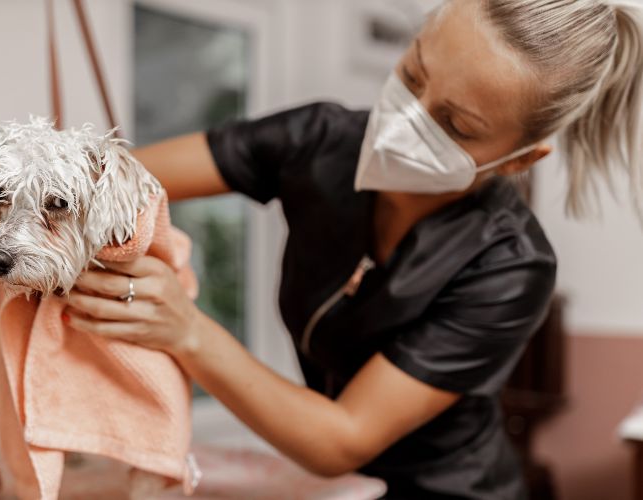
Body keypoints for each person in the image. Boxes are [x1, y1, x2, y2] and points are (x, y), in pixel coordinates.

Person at [63, 0, 643, 498]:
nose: (404, 121)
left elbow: (341, 437)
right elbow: (126, 179)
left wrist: (187, 331)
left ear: (518, 159)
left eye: (456, 125)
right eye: (414, 75)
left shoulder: (511, 266)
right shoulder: (318, 141)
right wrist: (44, 182)